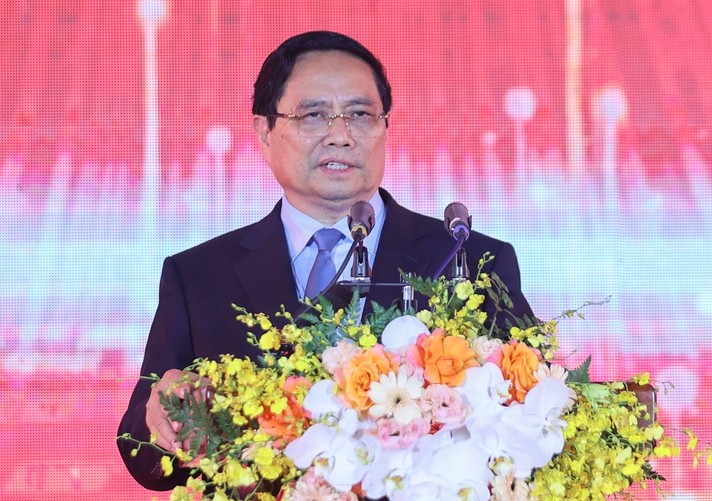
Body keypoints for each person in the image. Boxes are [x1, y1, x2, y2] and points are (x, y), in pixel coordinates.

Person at [117, 30, 535, 491]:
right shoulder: (200, 275)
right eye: (313, 115)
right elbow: (144, 458)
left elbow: (535, 421)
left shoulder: (468, 260)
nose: (340, 135)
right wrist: (170, 417)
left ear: (385, 127)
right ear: (264, 132)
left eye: (361, 114)